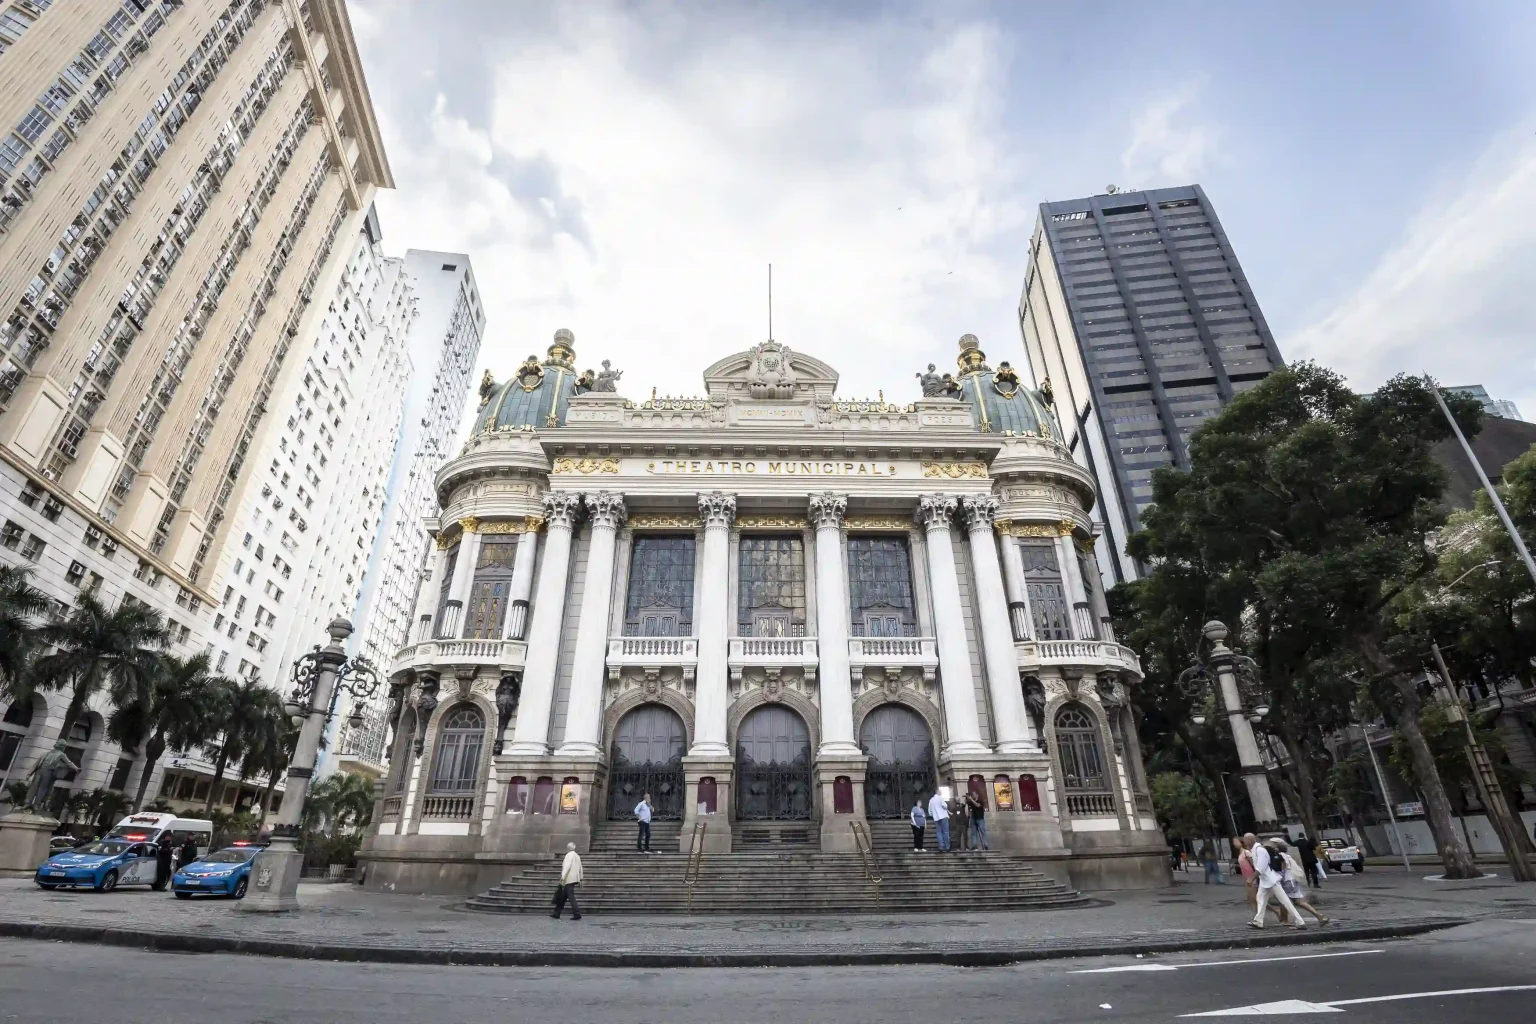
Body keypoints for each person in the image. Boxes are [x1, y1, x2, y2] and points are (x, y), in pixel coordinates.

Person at [1245, 834, 1305, 929]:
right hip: (1266, 879)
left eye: (1245, 839)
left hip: (1270, 879)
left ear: (1249, 840)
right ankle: (1258, 921)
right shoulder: (1256, 849)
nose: (1244, 842)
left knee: (1284, 901)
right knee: (1260, 899)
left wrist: (1251, 878)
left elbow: (1261, 867)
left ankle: (1300, 921)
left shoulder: (1259, 850)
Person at [1275, 840, 1329, 926]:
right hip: (1292, 880)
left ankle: (1285, 920)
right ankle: (1319, 915)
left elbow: (1283, 869)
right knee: (1297, 901)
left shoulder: (1281, 856)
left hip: (1287, 881)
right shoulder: (1287, 856)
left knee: (1284, 901)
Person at [552, 842, 583, 920]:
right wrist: (580, 878)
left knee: (570, 896)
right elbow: (580, 868)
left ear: (568, 848)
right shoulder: (577, 856)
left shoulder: (569, 855)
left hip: (568, 878)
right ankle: (557, 912)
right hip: (574, 878)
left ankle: (577, 913)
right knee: (563, 896)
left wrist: (562, 877)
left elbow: (567, 866)